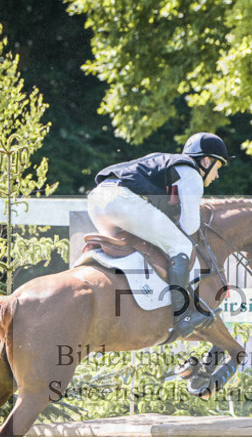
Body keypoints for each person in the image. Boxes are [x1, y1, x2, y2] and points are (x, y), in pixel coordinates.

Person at [87, 132, 228, 339]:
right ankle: (182, 317)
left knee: (140, 247)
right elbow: (190, 226)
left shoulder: (168, 163)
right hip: (122, 200)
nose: (216, 175)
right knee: (181, 247)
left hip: (97, 199)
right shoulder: (191, 174)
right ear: (206, 161)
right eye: (218, 167)